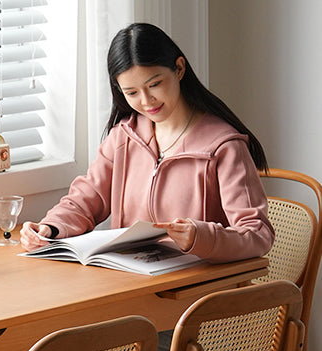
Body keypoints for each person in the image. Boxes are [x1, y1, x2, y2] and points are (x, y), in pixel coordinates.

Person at [21, 22, 274, 263]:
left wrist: (201, 237)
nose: (146, 101)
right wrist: (50, 227)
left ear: (179, 68)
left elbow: (257, 234)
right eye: (132, 92)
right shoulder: (124, 136)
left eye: (154, 84)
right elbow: (85, 200)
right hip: (132, 283)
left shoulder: (223, 147)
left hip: (199, 293)